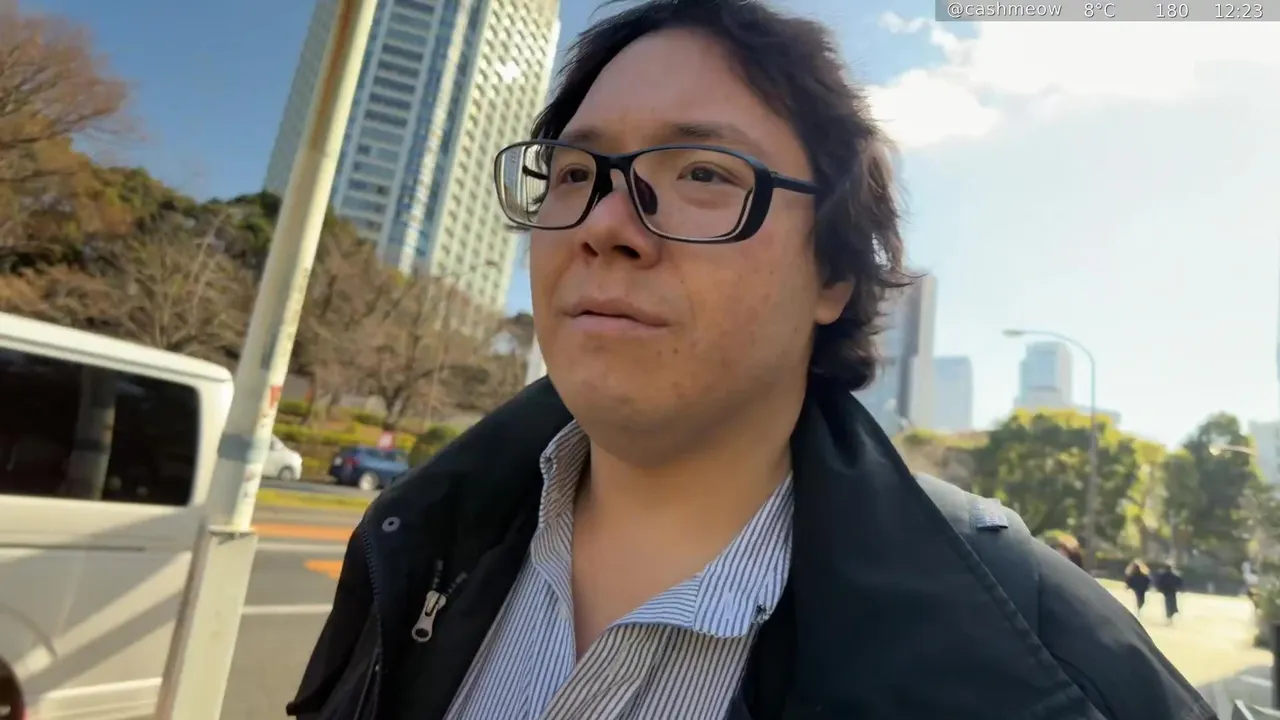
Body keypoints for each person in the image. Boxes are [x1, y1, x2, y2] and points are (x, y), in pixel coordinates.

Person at [287, 1, 1214, 718]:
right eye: (574, 173)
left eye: (703, 174)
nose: (606, 225)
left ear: (834, 276)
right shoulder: (412, 545)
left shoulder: (1045, 658)